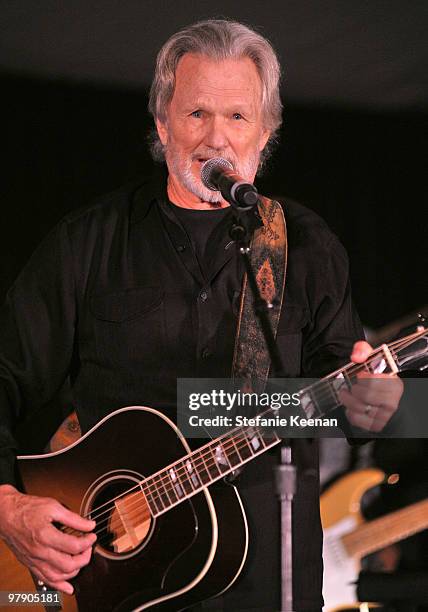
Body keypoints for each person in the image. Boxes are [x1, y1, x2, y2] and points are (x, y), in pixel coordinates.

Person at [0, 19, 403, 611]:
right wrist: (8, 506)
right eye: (196, 114)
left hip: (271, 585)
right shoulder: (87, 244)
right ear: (162, 125)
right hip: (107, 586)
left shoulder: (307, 246)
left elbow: (358, 411)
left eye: (238, 117)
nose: (217, 137)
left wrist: (383, 407)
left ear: (265, 134)